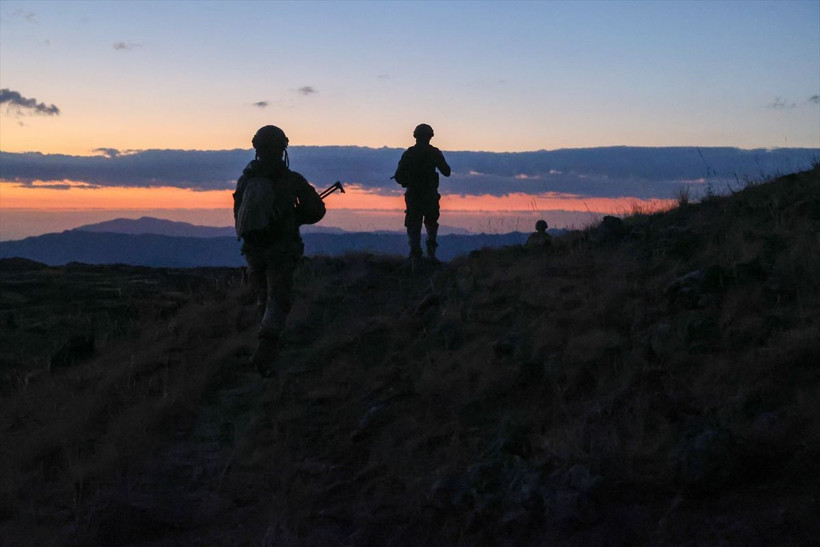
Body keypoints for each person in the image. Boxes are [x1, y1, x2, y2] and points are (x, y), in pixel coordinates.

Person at [233, 125, 326, 377]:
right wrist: (294, 218)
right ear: (282, 148)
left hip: (253, 248)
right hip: (281, 248)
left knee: (263, 295)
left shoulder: (246, 180)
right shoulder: (291, 179)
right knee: (279, 297)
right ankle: (266, 349)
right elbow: (316, 211)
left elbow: (239, 213)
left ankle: (264, 342)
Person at [393, 123, 451, 264]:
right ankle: (430, 255)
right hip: (429, 195)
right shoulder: (434, 153)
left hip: (414, 195)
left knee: (414, 224)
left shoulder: (409, 154)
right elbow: (447, 171)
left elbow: (399, 176)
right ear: (430, 136)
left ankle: (415, 255)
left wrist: (409, 180)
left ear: (415, 136)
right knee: (431, 223)